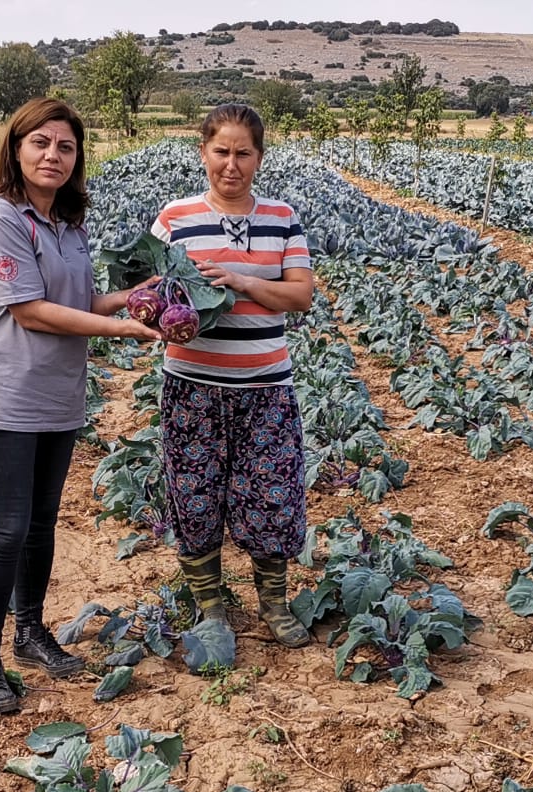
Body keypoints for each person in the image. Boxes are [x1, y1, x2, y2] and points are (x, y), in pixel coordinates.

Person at [0, 98, 161, 714]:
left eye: (65, 147)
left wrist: (127, 299)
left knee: (42, 524)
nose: (53, 155)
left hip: (57, 395)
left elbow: (75, 298)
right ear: (16, 149)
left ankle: (31, 633)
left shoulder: (68, 224)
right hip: (5, 395)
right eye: (40, 143)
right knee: (6, 528)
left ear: (76, 159)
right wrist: (123, 332)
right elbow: (30, 310)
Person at [152, 103, 317, 650]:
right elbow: (150, 295)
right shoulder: (174, 220)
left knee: (274, 494)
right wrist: (162, 315)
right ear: (203, 152)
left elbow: (300, 295)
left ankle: (273, 601)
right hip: (192, 386)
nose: (231, 164)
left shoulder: (282, 218)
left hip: (266, 387)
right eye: (221, 151)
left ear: (259, 157)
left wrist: (241, 281)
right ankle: (210, 607)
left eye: (243, 153)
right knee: (194, 494)